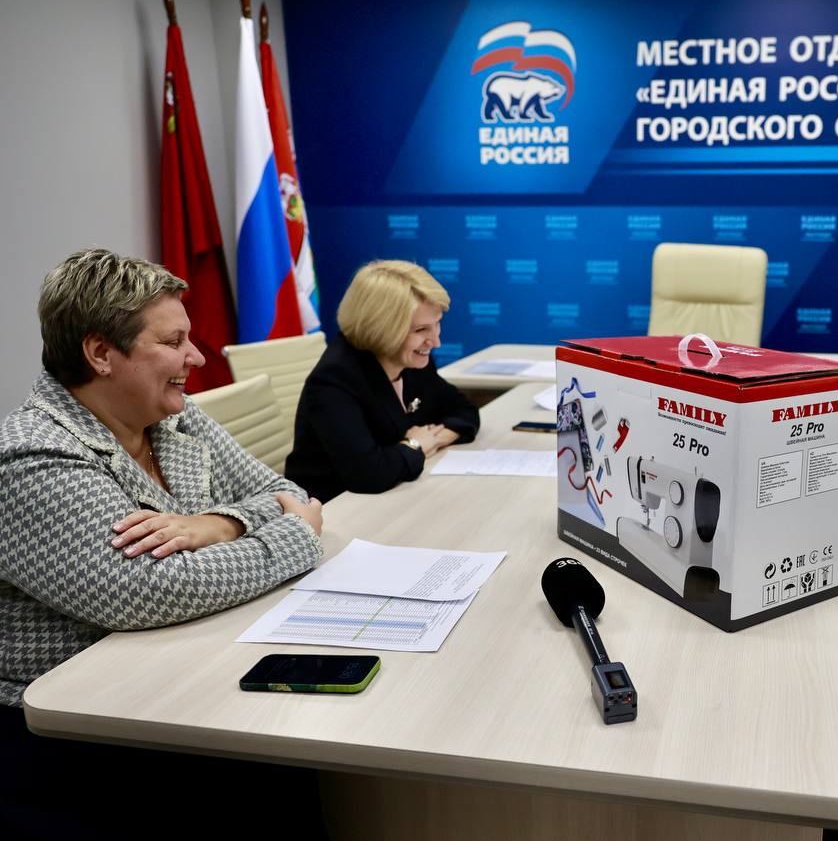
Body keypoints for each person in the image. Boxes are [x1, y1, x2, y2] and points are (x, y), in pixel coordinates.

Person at [0, 249, 326, 835]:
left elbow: (286, 490)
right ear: (101, 354)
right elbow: (148, 589)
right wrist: (296, 537)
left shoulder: (172, 416)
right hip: (75, 730)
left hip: (182, 679)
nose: (196, 357)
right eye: (174, 342)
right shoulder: (31, 454)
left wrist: (219, 524)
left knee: (304, 758)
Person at [286, 259, 480, 503]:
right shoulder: (333, 381)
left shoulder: (410, 359)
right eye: (421, 330)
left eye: (437, 324)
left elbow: (465, 411)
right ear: (382, 328)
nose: (436, 341)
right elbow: (370, 474)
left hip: (393, 497)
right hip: (333, 509)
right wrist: (416, 444)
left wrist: (433, 439)